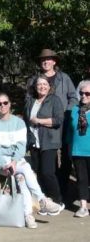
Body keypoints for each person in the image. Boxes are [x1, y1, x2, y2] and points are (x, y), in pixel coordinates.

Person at [0, 92, 62, 229]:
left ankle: (29, 215)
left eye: (5, 103)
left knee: (22, 177)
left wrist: (14, 162)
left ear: (9, 104)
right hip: (1, 162)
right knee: (25, 170)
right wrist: (5, 164)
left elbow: (21, 147)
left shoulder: (19, 123)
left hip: (16, 162)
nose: (2, 106)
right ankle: (42, 200)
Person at [27, 49, 78, 200]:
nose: (46, 61)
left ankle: (63, 189)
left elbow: (73, 98)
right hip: (42, 128)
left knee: (65, 157)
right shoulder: (33, 80)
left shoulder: (64, 78)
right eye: (43, 59)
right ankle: (50, 191)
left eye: (49, 59)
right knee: (48, 159)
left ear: (54, 61)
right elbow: (29, 100)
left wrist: (65, 114)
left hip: (63, 123)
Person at [24, 75, 65, 211]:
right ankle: (46, 202)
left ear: (49, 86)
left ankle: (58, 200)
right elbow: (26, 120)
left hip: (49, 142)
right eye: (39, 84)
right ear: (35, 87)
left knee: (48, 172)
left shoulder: (54, 100)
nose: (42, 87)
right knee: (39, 173)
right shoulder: (31, 101)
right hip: (34, 142)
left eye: (44, 84)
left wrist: (40, 121)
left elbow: (58, 120)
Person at [68, 80, 90, 217]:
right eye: (81, 93)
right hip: (78, 150)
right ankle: (83, 207)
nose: (84, 96)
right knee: (81, 179)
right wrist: (69, 147)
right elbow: (70, 132)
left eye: (88, 93)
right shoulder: (75, 110)